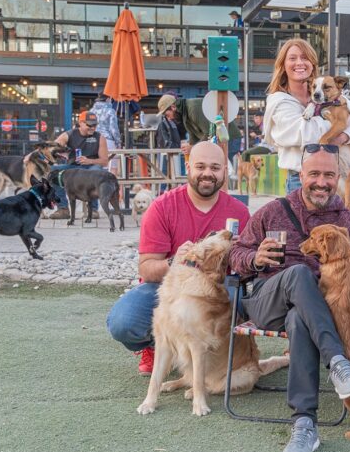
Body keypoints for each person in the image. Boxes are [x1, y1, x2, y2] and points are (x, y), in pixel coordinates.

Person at [229, 144, 350, 452]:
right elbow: (235, 253)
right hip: (267, 303)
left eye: (329, 175)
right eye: (314, 173)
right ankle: (338, 361)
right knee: (299, 272)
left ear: (339, 177)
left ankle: (304, 425)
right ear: (301, 175)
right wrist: (254, 258)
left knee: (301, 318)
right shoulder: (273, 211)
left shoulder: (349, 223)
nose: (321, 182)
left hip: (313, 315)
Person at [106, 142, 250, 374]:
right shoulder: (162, 207)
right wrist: (174, 261)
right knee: (123, 322)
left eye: (215, 167)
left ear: (225, 169)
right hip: (170, 288)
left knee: (241, 300)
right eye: (200, 166)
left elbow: (246, 266)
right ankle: (156, 345)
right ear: (188, 167)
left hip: (216, 287)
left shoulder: (240, 212)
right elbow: (147, 269)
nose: (207, 174)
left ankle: (218, 353)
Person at [263, 38, 350, 194]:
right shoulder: (279, 101)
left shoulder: (327, 92)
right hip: (302, 181)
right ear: (283, 65)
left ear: (312, 63)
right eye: (292, 58)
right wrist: (343, 120)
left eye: (305, 57)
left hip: (339, 176)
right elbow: (305, 133)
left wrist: (344, 137)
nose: (299, 63)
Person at [49, 111, 110, 218]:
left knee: (95, 172)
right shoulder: (69, 135)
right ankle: (63, 209)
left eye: (94, 125)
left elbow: (104, 161)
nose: (92, 127)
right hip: (74, 167)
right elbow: (50, 148)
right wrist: (58, 152)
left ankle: (93, 210)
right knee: (53, 171)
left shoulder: (100, 138)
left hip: (92, 166)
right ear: (80, 123)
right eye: (89, 125)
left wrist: (89, 161)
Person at [90, 95, 121, 173]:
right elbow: (113, 129)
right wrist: (118, 142)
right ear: (108, 99)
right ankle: (111, 184)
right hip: (108, 141)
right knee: (112, 167)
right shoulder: (110, 111)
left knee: (97, 166)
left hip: (94, 140)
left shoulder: (91, 111)